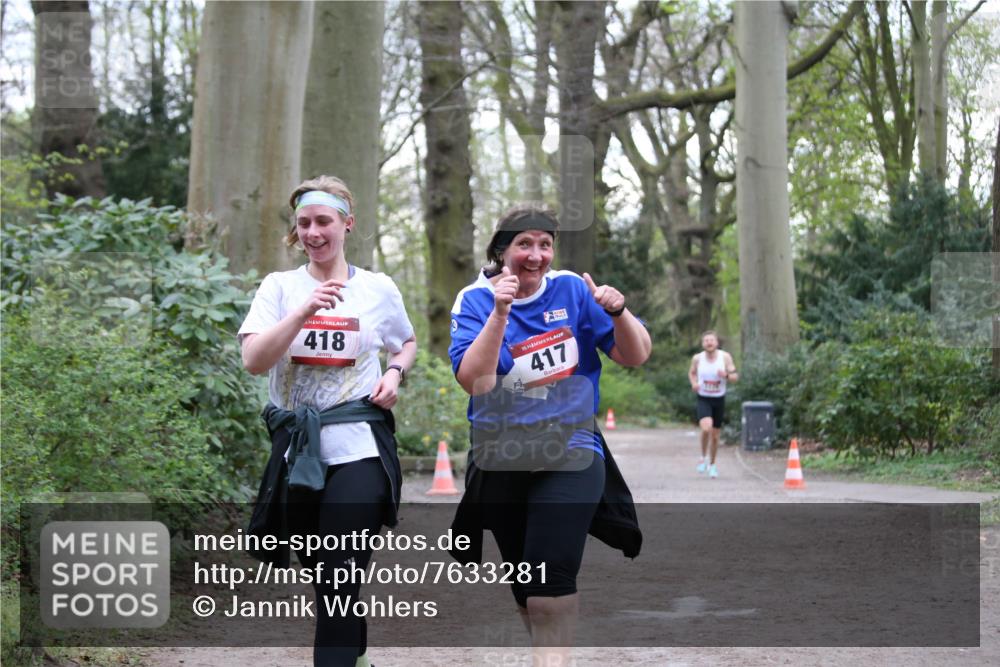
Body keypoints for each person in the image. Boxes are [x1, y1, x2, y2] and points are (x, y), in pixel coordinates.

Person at [448, 203, 650, 665]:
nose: (536, 255)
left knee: (548, 584)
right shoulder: (474, 300)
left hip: (570, 447)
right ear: (501, 251)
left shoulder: (572, 290)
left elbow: (636, 355)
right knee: (526, 588)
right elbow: (475, 382)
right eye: (524, 244)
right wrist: (500, 313)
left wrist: (619, 312)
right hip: (501, 456)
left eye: (545, 244)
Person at [238, 175, 416, 667]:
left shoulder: (377, 288)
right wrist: (302, 312)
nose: (313, 232)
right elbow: (254, 360)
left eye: (323, 221)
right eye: (304, 223)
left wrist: (395, 372)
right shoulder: (279, 287)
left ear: (347, 223)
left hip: (359, 447)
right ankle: (356, 656)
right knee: (326, 576)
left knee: (339, 573)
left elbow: (405, 341)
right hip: (298, 454)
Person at [688, 330, 738, 478]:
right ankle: (703, 458)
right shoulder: (697, 358)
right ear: (703, 343)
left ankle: (712, 464)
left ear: (717, 343)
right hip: (703, 398)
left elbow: (735, 377)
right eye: (706, 340)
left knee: (715, 436)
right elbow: (692, 372)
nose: (709, 343)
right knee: (706, 428)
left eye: (711, 340)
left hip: (719, 399)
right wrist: (694, 383)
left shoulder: (725, 357)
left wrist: (726, 375)